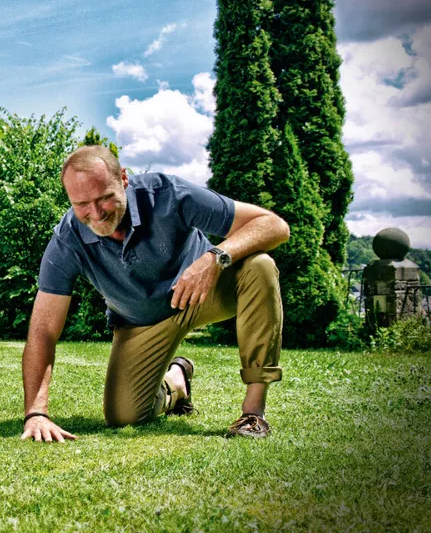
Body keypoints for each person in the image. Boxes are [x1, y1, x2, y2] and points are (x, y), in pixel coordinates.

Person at [21, 145, 290, 442]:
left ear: (124, 178)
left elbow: (274, 225)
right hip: (141, 322)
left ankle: (253, 412)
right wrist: (36, 413)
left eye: (105, 198)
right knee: (123, 415)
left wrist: (215, 258)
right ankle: (177, 381)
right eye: (81, 203)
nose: (96, 213)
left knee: (260, 266)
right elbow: (43, 330)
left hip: (203, 294)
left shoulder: (168, 194)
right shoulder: (67, 240)